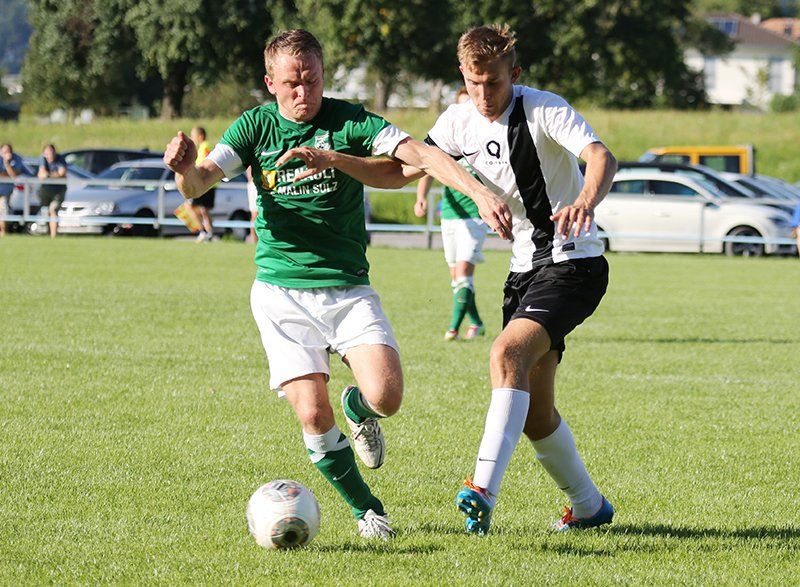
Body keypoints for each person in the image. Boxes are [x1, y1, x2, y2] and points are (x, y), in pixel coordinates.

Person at [163, 29, 512, 540]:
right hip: (281, 293)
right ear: (270, 83)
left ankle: (358, 408)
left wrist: (478, 192)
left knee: (387, 397)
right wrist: (183, 169)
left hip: (347, 288)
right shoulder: (255, 127)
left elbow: (419, 155)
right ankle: (367, 510)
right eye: (291, 83)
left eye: (312, 80)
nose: (303, 92)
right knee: (312, 411)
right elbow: (199, 183)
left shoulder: (349, 121)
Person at [424, 24, 619, 535]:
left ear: (515, 73)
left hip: (573, 262)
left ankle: (482, 489)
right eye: (473, 83)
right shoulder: (457, 121)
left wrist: (585, 200)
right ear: (462, 76)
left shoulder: (544, 108)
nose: (483, 94)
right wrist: (336, 160)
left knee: (505, 354)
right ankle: (590, 506)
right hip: (522, 272)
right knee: (535, 414)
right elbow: (404, 166)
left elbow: (601, 156)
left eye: (493, 82)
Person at [415, 88, 487, 341]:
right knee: (457, 277)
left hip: (475, 216)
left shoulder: (485, 139)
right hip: (449, 215)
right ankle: (477, 323)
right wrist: (421, 197)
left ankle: (453, 329)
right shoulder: (450, 139)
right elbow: (428, 168)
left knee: (464, 272)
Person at [190, 126, 216, 242]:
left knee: (192, 207)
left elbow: (207, 163)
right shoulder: (202, 147)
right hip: (206, 183)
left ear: (200, 136)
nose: (192, 138)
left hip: (205, 183)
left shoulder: (205, 147)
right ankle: (208, 233)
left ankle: (204, 232)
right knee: (203, 210)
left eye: (193, 136)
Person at [37, 144, 68, 239]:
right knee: (46, 211)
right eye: (46, 153)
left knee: (53, 210)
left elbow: (62, 173)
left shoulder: (60, 159)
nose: (49, 155)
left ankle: (53, 236)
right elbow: (41, 174)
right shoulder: (42, 159)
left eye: (50, 152)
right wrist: (54, 175)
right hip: (46, 190)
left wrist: (49, 175)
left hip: (58, 191)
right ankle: (49, 233)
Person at [0, 143, 26, 237]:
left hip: (6, 191)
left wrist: (6, 163)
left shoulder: (16, 159)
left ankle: (3, 232)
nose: (6, 153)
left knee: (3, 209)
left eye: (8, 151)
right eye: (4, 151)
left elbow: (13, 175)